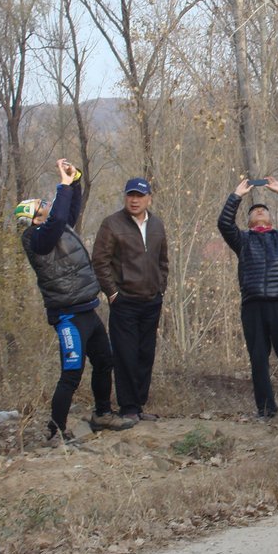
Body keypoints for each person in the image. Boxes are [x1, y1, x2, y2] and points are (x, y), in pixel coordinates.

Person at [15, 159, 136, 445]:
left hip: (86, 309)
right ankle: (55, 430)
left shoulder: (55, 229)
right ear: (34, 218)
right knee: (71, 374)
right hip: (68, 316)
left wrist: (76, 179)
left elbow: (68, 212)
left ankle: (102, 413)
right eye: (42, 205)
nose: (47, 204)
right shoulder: (36, 239)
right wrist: (63, 185)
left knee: (104, 361)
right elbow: (58, 219)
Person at [217, 176, 278, 426]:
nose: (259, 211)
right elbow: (224, 223)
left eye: (263, 210)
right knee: (258, 359)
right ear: (248, 221)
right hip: (253, 306)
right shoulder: (242, 240)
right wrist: (237, 195)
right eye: (255, 210)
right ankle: (266, 409)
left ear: (271, 219)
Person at [92, 177, 169, 422]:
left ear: (149, 199)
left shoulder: (157, 224)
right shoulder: (112, 224)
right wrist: (113, 293)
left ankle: (139, 405)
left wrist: (161, 288)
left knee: (145, 354)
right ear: (125, 197)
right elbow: (100, 262)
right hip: (124, 301)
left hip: (152, 300)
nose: (134, 200)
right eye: (130, 195)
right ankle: (128, 408)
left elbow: (163, 261)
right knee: (125, 355)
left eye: (139, 196)